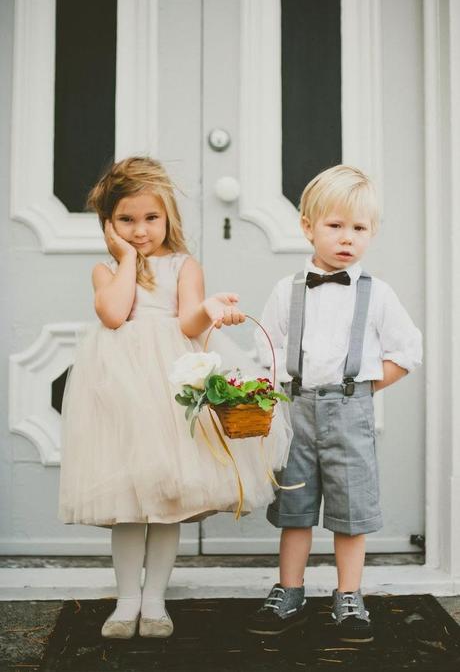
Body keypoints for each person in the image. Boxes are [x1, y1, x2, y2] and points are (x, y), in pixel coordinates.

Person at [59, 156, 288, 639]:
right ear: (108, 224)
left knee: (166, 497)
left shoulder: (185, 264)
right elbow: (116, 315)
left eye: (150, 218)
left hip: (170, 390)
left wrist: (208, 309)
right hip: (120, 395)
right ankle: (126, 602)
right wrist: (125, 260)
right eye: (126, 220)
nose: (140, 231)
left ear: (168, 218)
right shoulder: (106, 271)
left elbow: (187, 324)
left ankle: (155, 601)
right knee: (127, 500)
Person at [247, 164, 422, 643]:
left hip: (351, 412)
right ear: (307, 227)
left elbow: (408, 351)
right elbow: (267, 350)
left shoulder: (377, 294)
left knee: (351, 511)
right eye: (335, 225)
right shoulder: (288, 291)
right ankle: (290, 589)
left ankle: (348, 595)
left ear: (373, 233)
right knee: (295, 508)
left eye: (359, 228)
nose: (348, 238)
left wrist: (364, 388)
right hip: (296, 410)